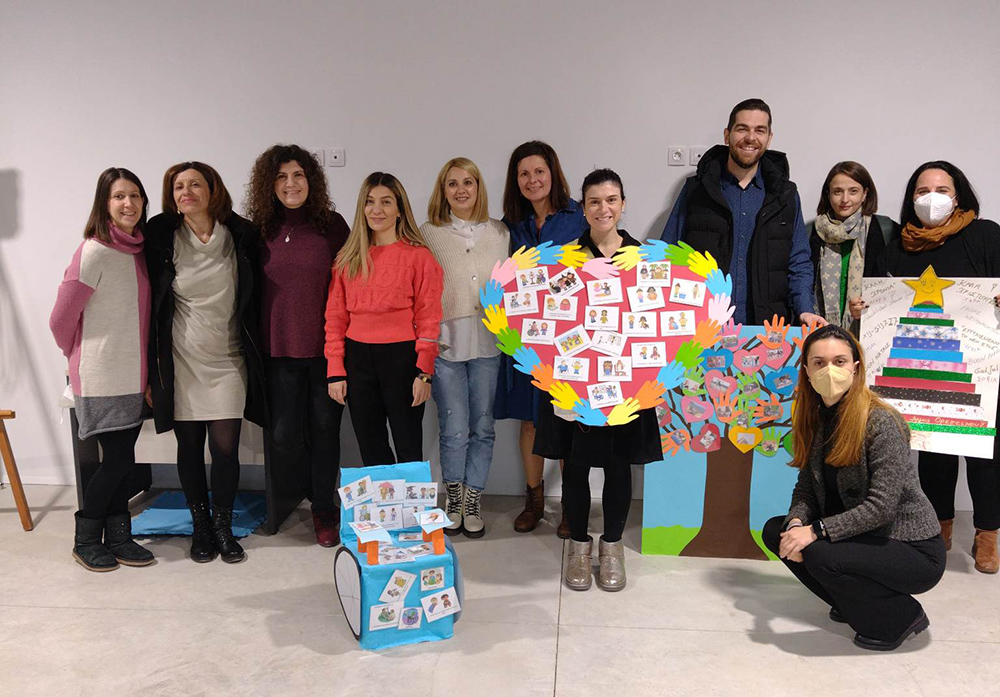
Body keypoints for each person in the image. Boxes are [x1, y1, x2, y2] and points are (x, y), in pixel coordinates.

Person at [762, 324, 945, 651]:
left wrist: (815, 531)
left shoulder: (882, 422)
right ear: (806, 371)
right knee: (777, 532)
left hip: (910, 548)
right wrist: (795, 524)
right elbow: (806, 489)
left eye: (839, 361)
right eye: (819, 362)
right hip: (863, 538)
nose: (829, 370)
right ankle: (852, 600)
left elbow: (881, 508)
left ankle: (902, 617)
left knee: (819, 553)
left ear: (856, 368)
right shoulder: (816, 418)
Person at [535, 169, 662, 592]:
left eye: (611, 200)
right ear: (583, 208)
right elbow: (550, 318)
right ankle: (578, 545)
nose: (603, 208)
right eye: (594, 201)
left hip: (626, 383)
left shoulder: (643, 258)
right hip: (575, 382)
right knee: (575, 465)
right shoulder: (566, 259)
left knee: (618, 466)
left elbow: (657, 321)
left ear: (623, 204)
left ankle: (611, 547)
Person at [874, 160, 1000, 574]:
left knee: (985, 453)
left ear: (957, 195)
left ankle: (987, 534)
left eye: (942, 190)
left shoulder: (985, 235)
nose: (932, 198)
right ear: (911, 198)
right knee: (933, 450)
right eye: (922, 190)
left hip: (980, 366)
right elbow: (884, 300)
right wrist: (865, 307)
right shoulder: (900, 247)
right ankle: (939, 528)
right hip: (922, 364)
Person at [146, 162, 267, 564]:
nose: (186, 192)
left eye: (195, 184)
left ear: (213, 190)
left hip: (229, 358)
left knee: (226, 449)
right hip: (182, 360)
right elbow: (151, 307)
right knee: (190, 447)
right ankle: (200, 527)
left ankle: (223, 526)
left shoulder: (240, 235)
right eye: (178, 186)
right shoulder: (162, 237)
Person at [50, 167, 155, 572]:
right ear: (104, 204)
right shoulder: (93, 251)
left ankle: (119, 536)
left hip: (133, 375)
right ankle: (86, 539)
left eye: (135, 195)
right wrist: (79, 358)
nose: (128, 204)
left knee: (124, 460)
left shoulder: (139, 251)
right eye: (119, 196)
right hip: (100, 376)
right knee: (115, 462)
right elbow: (60, 320)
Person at [245, 144, 350, 547]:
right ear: (269, 185)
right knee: (284, 435)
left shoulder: (331, 226)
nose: (291, 184)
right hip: (276, 351)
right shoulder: (259, 230)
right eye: (282, 177)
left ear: (312, 180)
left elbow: (350, 284)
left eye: (299, 175)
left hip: (326, 350)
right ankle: (304, 491)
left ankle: (324, 508)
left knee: (325, 431)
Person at [660, 98, 824, 328]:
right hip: (702, 327)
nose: (750, 137)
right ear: (727, 135)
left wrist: (805, 309)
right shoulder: (696, 190)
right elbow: (667, 254)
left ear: (769, 138)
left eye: (760, 130)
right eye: (742, 129)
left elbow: (799, 262)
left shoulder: (785, 195)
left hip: (767, 331)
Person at [496, 140, 587, 537]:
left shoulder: (577, 217)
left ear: (553, 174)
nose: (532, 180)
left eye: (539, 171)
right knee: (531, 422)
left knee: (565, 421)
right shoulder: (510, 226)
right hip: (525, 339)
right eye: (523, 174)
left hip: (568, 339)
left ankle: (570, 504)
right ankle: (533, 500)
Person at [324, 172, 443, 466]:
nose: (377, 210)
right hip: (358, 359)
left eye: (386, 202)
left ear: (400, 209)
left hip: (403, 358)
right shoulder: (347, 259)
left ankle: (411, 499)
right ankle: (383, 499)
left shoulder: (419, 258)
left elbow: (429, 317)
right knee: (371, 447)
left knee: (408, 445)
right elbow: (335, 317)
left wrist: (424, 372)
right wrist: (335, 369)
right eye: (370, 202)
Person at [420, 157, 509, 538]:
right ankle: (453, 498)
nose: (461, 190)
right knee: (454, 427)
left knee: (483, 426)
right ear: (443, 191)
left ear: (478, 187)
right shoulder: (429, 233)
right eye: (452, 183)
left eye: (468, 182)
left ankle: (474, 499)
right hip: (446, 343)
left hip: (489, 341)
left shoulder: (500, 232)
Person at [809, 161, 896, 335]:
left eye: (853, 191)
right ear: (828, 194)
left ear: (865, 194)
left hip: (871, 334)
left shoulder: (886, 229)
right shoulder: (811, 231)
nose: (845, 199)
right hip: (820, 332)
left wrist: (868, 304)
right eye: (837, 192)